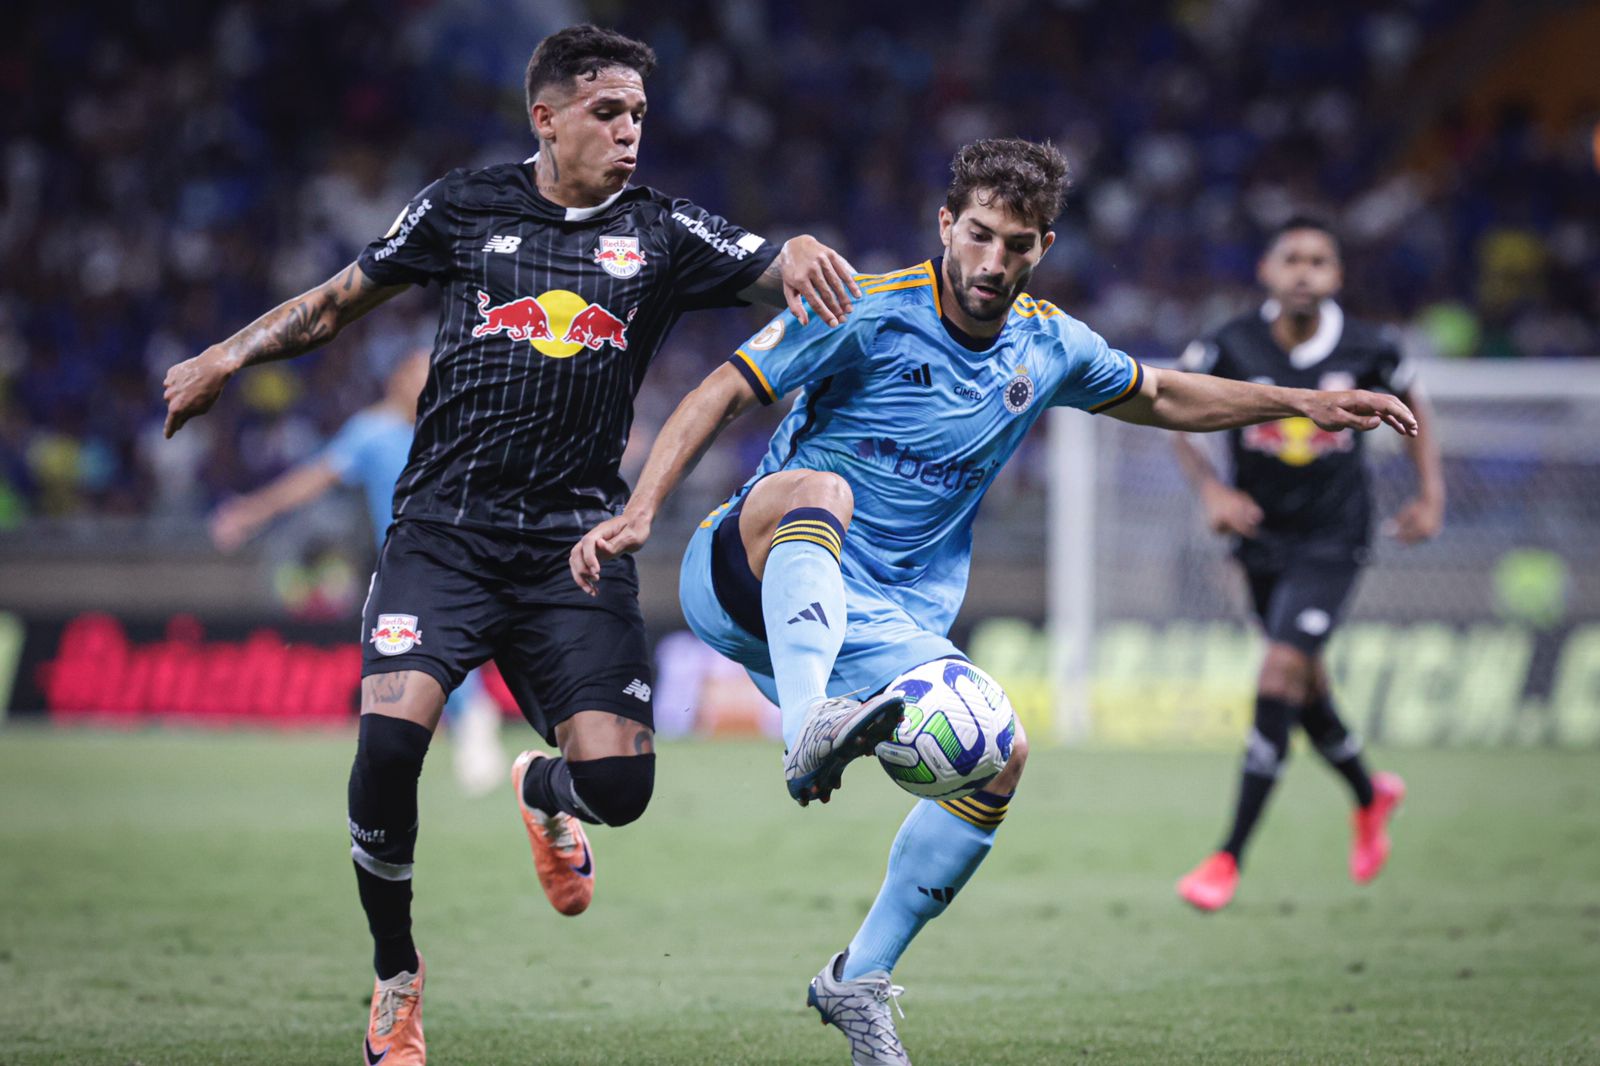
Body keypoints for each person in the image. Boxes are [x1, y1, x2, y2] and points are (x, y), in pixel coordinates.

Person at [569, 140, 1417, 1065]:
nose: (992, 262)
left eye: (1016, 244)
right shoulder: (865, 306)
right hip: (752, 565)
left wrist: (1300, 402)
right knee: (822, 492)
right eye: (977, 235)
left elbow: (1166, 393)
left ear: (1042, 247)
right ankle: (808, 725)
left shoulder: (1049, 345)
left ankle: (856, 978)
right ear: (946, 225)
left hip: (878, 622)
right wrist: (642, 507)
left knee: (1001, 760)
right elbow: (721, 390)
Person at [161, 24, 861, 1065]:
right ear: (546, 117)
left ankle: (546, 790)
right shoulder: (461, 208)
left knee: (621, 791)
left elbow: (772, 262)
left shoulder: (660, 231)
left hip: (572, 548)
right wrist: (227, 353)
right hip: (440, 533)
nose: (630, 133)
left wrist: (796, 249)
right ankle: (397, 976)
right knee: (390, 740)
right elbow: (336, 304)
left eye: (639, 115)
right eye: (607, 112)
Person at [1171, 216, 1444, 913]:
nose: (1303, 271)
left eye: (1318, 261)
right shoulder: (1228, 343)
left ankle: (1227, 856)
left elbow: (1416, 408)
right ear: (1267, 270)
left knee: (1279, 671)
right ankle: (1369, 792)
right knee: (1306, 681)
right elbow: (1175, 412)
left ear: (1337, 277)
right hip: (1260, 539)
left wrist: (1430, 494)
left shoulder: (1371, 346)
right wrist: (1214, 490)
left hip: (1334, 539)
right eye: (1291, 258)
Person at [209, 348, 507, 797]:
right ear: (398, 382)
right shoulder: (371, 433)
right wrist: (253, 512)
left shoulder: (458, 429)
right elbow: (314, 478)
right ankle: (463, 724)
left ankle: (472, 724)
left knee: (434, 649)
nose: (430, 388)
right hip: (404, 566)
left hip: (462, 558)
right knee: (418, 654)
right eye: (422, 379)